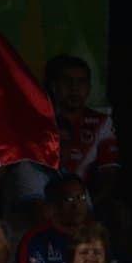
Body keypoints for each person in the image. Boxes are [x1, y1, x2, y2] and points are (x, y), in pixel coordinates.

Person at [45, 54, 119, 199]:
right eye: (67, 81)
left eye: (81, 82)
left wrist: (89, 206)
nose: (74, 88)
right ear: (54, 85)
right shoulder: (40, 120)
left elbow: (110, 173)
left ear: (89, 87)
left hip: (85, 201)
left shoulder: (102, 123)